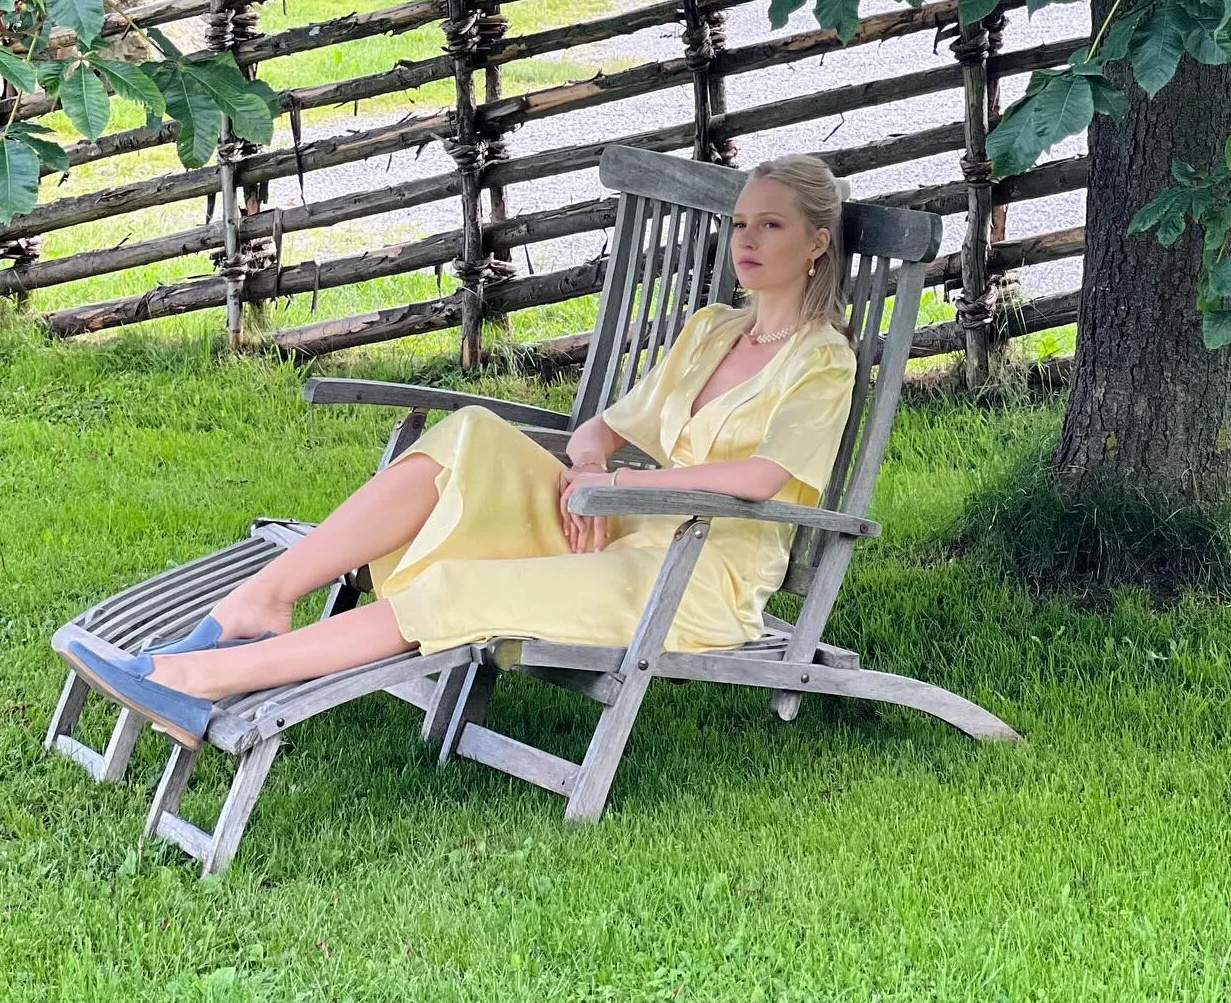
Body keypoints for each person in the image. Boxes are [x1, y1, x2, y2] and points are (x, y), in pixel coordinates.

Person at [59, 156, 860, 749]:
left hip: (694, 578)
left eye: (771, 225)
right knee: (472, 434)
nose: (746, 240)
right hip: (614, 519)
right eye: (739, 223)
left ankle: (199, 681)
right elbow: (602, 429)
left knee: (459, 588)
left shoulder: (822, 359)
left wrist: (616, 485)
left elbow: (762, 477)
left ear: (816, 243)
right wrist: (587, 472)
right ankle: (262, 600)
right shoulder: (713, 330)